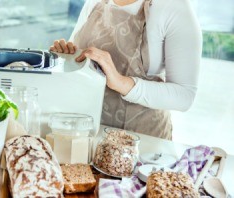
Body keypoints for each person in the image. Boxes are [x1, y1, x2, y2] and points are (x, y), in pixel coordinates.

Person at [50, 0, 202, 140]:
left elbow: (184, 96)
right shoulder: (94, 2)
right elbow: (80, 65)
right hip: (85, 136)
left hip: (141, 144)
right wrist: (66, 57)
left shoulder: (174, 7)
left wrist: (121, 83)